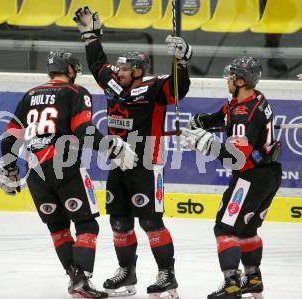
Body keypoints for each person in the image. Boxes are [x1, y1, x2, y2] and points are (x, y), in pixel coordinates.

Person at [73, 6, 192, 299]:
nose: (119, 71)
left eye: (125, 69)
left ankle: (167, 275)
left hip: (147, 165)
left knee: (151, 221)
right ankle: (127, 270)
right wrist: (90, 36)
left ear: (138, 71)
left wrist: (182, 60)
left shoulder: (154, 88)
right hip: (118, 164)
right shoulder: (114, 84)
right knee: (119, 222)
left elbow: (179, 88)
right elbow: (98, 64)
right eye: (120, 68)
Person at [0, 49, 137, 299]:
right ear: (70, 70)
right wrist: (112, 147)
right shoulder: (75, 92)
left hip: (35, 172)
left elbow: (9, 139)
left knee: (58, 228)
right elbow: (84, 130)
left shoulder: (30, 95)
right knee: (86, 224)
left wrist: (9, 171)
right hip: (65, 167)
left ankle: (76, 279)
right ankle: (81, 280)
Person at [181, 56, 282, 299]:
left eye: (231, 76)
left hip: (251, 176)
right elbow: (224, 114)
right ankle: (253, 279)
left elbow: (237, 159)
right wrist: (202, 122)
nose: (227, 79)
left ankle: (232, 283)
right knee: (247, 229)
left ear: (240, 80)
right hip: (269, 174)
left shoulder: (244, 115)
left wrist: (206, 146)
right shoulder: (251, 99)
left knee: (224, 227)